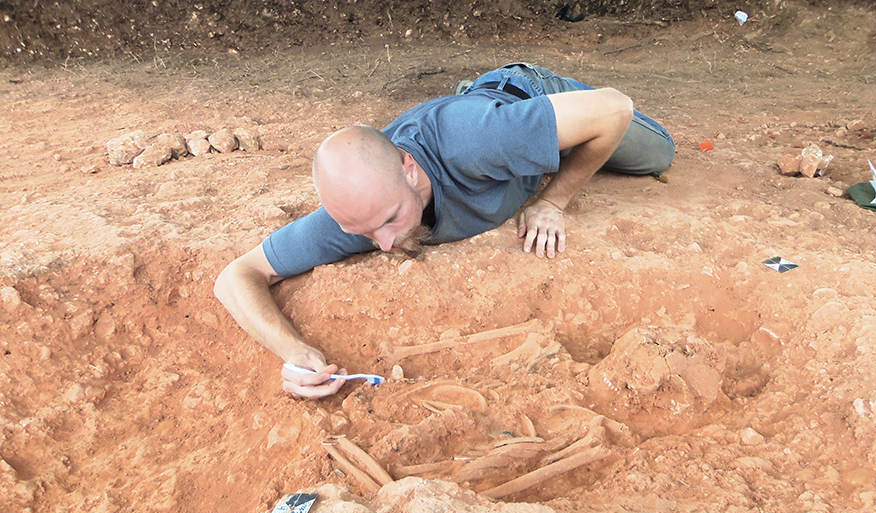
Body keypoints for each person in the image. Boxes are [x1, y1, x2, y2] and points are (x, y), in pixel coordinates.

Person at [214, 63, 675, 399]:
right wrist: (292, 350)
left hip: (523, 94)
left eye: (391, 220)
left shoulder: (479, 143)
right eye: (367, 233)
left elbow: (614, 108)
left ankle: (513, 100)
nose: (386, 244)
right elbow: (237, 275)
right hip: (473, 114)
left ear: (410, 170)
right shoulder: (364, 210)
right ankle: (470, 95)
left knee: (657, 156)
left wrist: (552, 201)